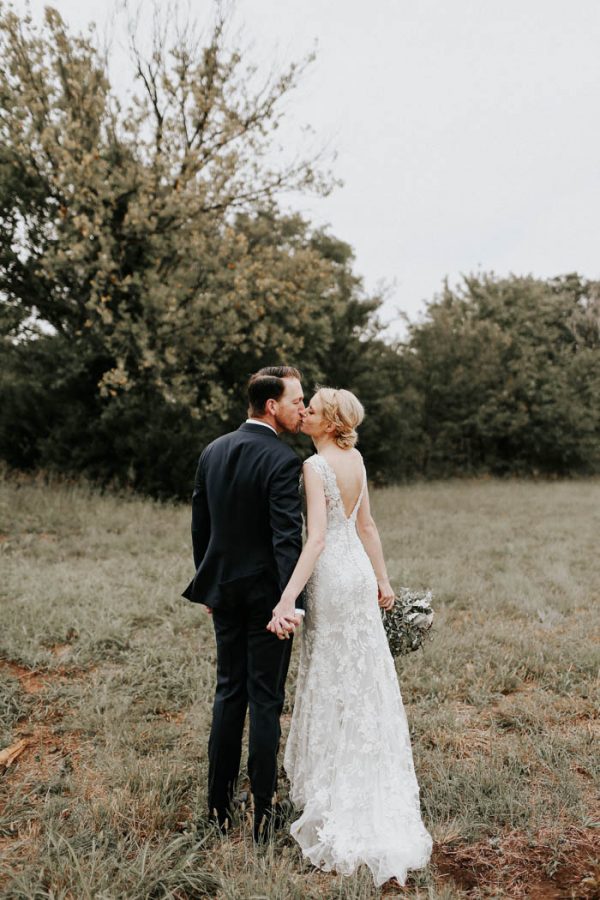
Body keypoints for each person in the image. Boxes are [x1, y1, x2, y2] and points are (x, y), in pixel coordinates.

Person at [268, 387, 432, 886]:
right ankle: (362, 766)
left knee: (331, 671)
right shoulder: (356, 459)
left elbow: (315, 538)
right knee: (362, 673)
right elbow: (367, 525)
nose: (305, 413)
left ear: (329, 421)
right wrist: (382, 579)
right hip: (358, 576)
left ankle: (334, 782)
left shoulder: (314, 468)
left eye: (312, 410)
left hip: (332, 581)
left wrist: (287, 598)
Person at [182, 365, 305, 842]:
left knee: (228, 694)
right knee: (266, 701)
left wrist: (207, 585)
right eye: (296, 400)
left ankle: (217, 809)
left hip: (225, 595)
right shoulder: (282, 460)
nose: (302, 408)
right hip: (269, 602)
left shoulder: (213, 450)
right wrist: (289, 603)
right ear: (271, 405)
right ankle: (262, 815)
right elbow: (286, 541)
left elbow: (201, 524)